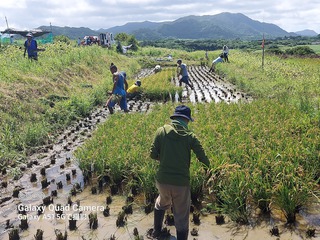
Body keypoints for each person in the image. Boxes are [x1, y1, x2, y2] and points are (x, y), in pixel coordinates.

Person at [149, 105, 210, 240]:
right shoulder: (190, 137)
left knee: (161, 203)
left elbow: (152, 154)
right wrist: (210, 170)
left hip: (162, 181)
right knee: (181, 216)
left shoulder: (161, 131)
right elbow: (202, 157)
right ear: (186, 120)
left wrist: (164, 158)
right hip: (181, 184)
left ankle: (156, 232)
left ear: (174, 118)